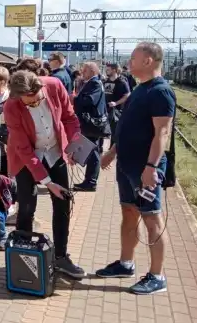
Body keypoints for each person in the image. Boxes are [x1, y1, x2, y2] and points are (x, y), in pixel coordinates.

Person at [96, 43, 174, 295]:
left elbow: (162, 132)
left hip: (144, 169)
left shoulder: (160, 92)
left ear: (148, 61)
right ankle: (126, 263)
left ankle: (157, 276)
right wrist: (112, 151)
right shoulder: (140, 89)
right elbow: (128, 127)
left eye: (133, 58)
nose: (129, 62)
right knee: (129, 212)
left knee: (152, 218)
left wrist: (151, 167)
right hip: (127, 166)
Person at [3, 70, 86, 279]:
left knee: (63, 204)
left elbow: (69, 118)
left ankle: (61, 257)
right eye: (28, 104)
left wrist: (75, 144)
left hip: (55, 152)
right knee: (27, 208)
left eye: (35, 101)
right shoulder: (12, 106)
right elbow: (23, 149)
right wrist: (48, 182)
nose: (32, 106)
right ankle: (23, 256)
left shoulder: (55, 85)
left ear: (40, 88)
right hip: (26, 159)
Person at [73, 62, 110, 191]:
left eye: (85, 70)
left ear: (93, 71)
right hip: (91, 123)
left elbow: (89, 101)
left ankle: (91, 182)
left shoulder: (94, 83)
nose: (82, 72)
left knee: (93, 152)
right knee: (91, 150)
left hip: (92, 124)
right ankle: (89, 180)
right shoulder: (92, 82)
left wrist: (74, 99)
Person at [104, 63, 131, 147]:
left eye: (108, 69)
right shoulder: (105, 81)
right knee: (102, 130)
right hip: (105, 110)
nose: (106, 71)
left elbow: (127, 95)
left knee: (114, 132)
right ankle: (100, 148)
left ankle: (112, 150)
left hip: (116, 111)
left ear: (114, 70)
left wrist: (116, 103)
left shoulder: (122, 82)